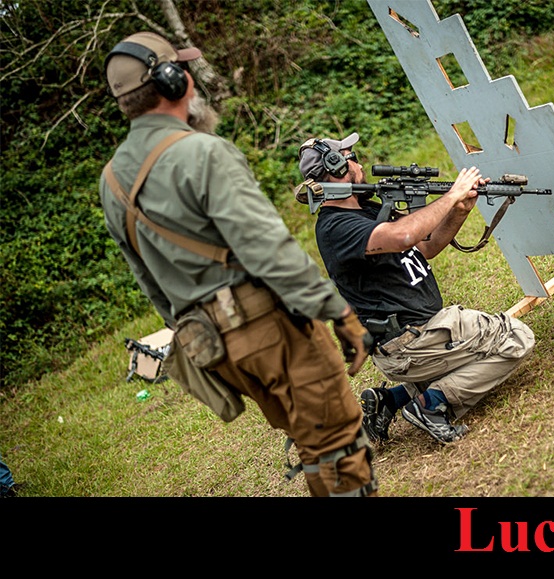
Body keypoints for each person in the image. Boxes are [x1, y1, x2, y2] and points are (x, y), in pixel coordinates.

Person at [99, 32, 377, 497]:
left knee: (313, 441)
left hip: (212, 348)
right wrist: (339, 313)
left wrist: (194, 328)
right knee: (338, 442)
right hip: (268, 331)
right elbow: (267, 247)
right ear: (172, 81)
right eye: (184, 70)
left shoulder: (111, 182)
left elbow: (150, 284)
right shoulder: (203, 152)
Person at [296, 132, 536, 444]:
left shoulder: (366, 209)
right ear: (336, 166)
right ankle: (431, 405)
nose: (359, 163)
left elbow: (425, 246)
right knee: (516, 337)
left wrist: (460, 208)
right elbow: (403, 236)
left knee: (470, 359)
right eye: (351, 157)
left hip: (416, 336)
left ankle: (390, 400)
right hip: (410, 342)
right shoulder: (336, 227)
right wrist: (450, 195)